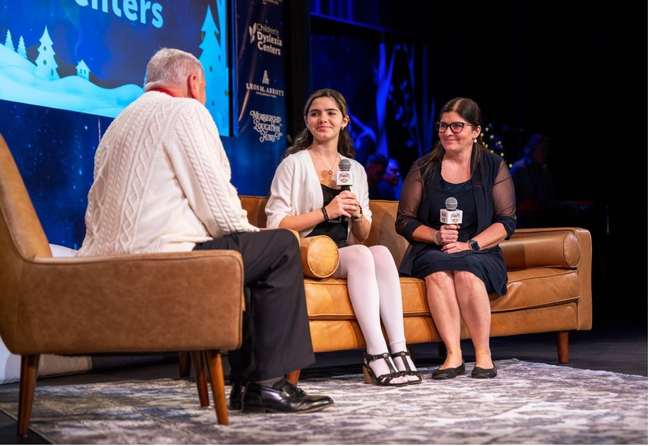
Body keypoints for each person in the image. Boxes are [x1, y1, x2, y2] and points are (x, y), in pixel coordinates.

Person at [76, 48, 333, 413]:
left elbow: (95, 205)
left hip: (103, 268)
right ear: (195, 82)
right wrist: (256, 238)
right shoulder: (186, 111)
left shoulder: (120, 122)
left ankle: (249, 385)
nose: (206, 95)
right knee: (281, 246)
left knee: (250, 255)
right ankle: (267, 384)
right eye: (206, 86)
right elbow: (217, 204)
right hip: (164, 262)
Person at [265, 88, 421, 386]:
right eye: (315, 113)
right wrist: (327, 212)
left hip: (342, 252)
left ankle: (399, 351)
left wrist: (358, 214)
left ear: (344, 121)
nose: (323, 119)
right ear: (307, 121)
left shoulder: (357, 171)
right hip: (304, 251)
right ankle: (375, 354)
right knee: (362, 255)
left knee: (380, 253)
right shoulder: (293, 164)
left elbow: (360, 236)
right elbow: (277, 223)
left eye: (330, 113)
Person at [395, 97, 517, 380]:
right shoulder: (423, 167)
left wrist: (470, 244)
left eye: (457, 126)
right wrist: (436, 235)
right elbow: (404, 221)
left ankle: (483, 354)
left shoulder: (493, 166)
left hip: (480, 248)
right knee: (438, 271)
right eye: (443, 126)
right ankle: (453, 354)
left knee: (465, 270)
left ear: (475, 131)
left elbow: (506, 222)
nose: (448, 132)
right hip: (432, 248)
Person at [509, 133, 556, 227]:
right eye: (542, 150)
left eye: (547, 151)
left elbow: (551, 193)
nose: (545, 154)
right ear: (532, 148)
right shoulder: (518, 168)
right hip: (521, 220)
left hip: (539, 216)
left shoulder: (542, 168)